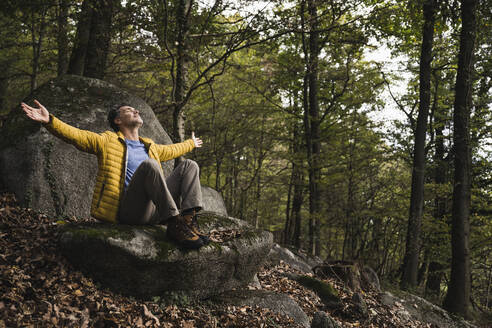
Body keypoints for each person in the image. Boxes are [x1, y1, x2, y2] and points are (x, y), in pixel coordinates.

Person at [20, 100, 208, 249]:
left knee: (189, 165)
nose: (137, 111)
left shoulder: (149, 146)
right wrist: (50, 121)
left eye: (136, 110)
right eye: (129, 110)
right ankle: (175, 225)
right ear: (117, 121)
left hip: (156, 212)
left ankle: (188, 221)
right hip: (130, 212)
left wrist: (191, 143)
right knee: (150, 165)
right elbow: (77, 136)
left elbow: (173, 149)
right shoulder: (107, 141)